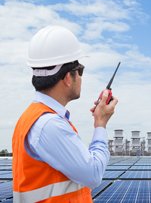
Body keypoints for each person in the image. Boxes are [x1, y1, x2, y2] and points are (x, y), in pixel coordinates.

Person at [12, 25, 118, 202]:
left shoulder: (32, 118)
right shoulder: (49, 125)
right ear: (68, 78)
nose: (82, 77)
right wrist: (100, 124)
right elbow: (93, 174)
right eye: (80, 70)